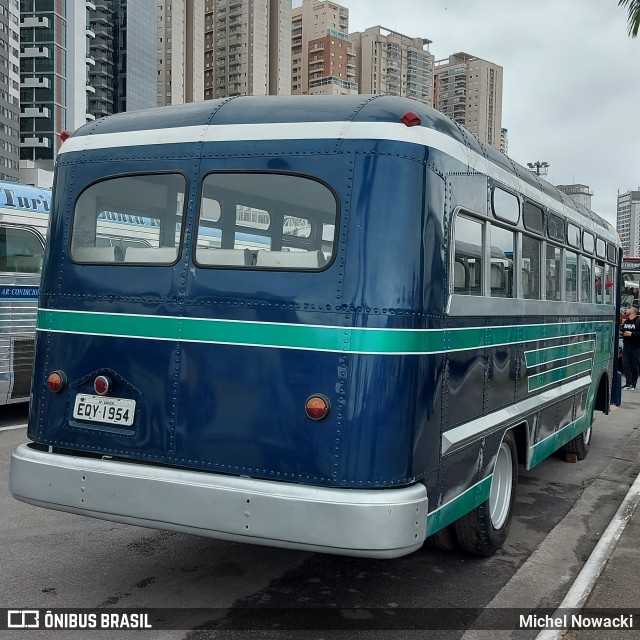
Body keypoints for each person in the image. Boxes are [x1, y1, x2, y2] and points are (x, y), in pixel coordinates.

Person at [621, 303, 640, 390]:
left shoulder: (638, 321)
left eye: (629, 308)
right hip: (626, 346)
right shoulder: (626, 321)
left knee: (634, 366)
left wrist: (632, 334)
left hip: (636, 347)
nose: (627, 310)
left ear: (633, 310)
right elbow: (622, 331)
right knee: (626, 365)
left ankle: (633, 383)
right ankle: (628, 383)